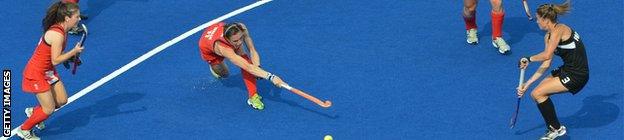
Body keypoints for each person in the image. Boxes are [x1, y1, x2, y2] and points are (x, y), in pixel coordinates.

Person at [517, 1, 588, 139]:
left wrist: (528, 59)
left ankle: (556, 129)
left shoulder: (560, 30)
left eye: (538, 19)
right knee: (535, 93)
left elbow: (547, 54)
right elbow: (546, 62)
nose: (537, 22)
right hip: (568, 69)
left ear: (545, 19)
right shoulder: (548, 36)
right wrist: (527, 83)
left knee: (538, 93)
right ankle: (556, 128)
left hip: (578, 75)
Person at [17, 1, 84, 140]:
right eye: (77, 16)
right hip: (36, 73)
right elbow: (55, 60)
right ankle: (24, 130)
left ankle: (35, 112)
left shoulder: (62, 31)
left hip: (47, 70)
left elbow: (55, 55)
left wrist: (71, 58)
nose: (79, 19)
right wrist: (73, 52)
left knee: (62, 100)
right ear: (67, 18)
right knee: (48, 109)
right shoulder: (57, 34)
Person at [198, 22, 286, 110]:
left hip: (217, 29)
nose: (240, 42)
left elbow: (252, 50)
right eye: (235, 41)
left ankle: (253, 97)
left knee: (245, 59)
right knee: (224, 74)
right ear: (227, 39)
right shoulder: (223, 48)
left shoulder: (241, 27)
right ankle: (214, 68)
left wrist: (257, 68)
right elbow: (248, 67)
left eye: (241, 38)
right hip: (208, 48)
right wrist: (272, 77)